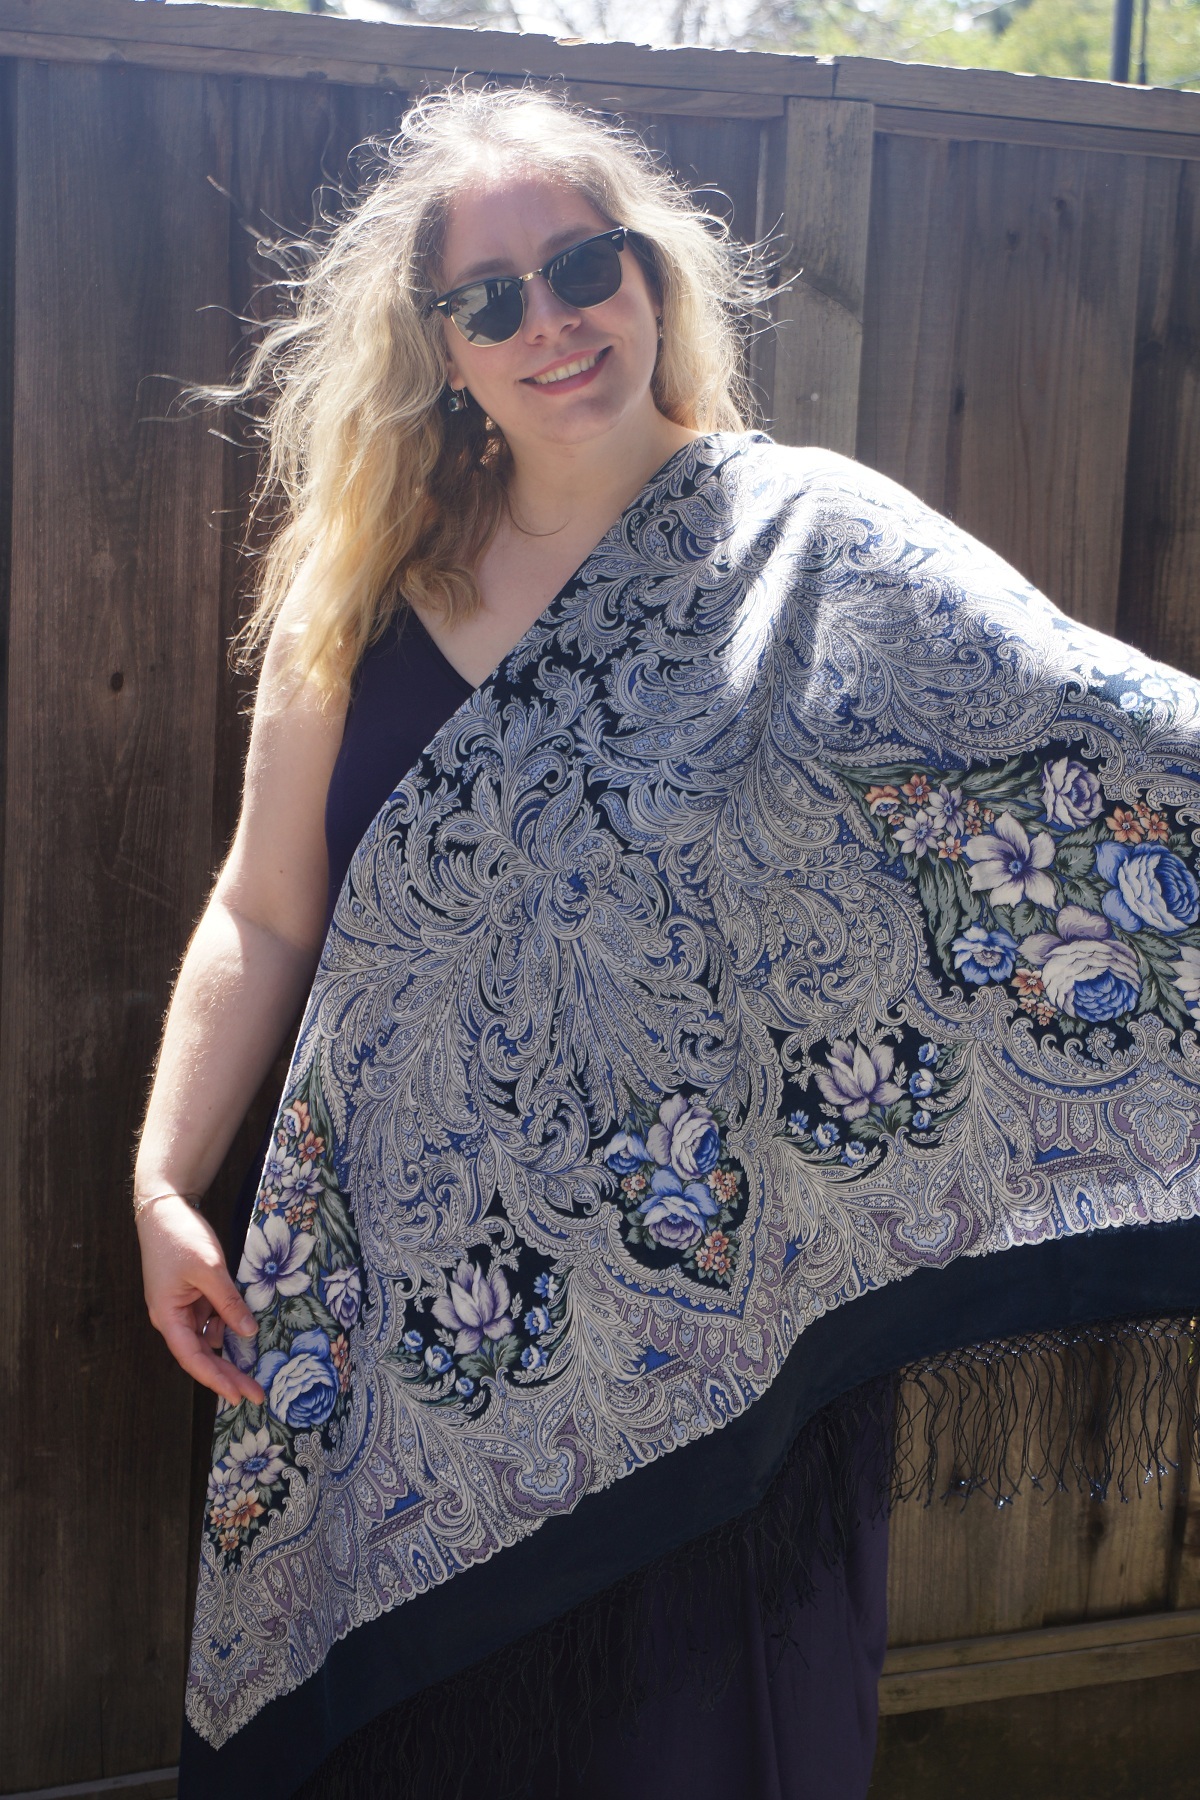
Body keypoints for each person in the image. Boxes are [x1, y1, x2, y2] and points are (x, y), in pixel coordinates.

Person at [139, 84, 1200, 1800]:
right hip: (408, 1347)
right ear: (440, 347)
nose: (550, 321)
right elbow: (264, 911)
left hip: (725, 1351)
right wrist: (164, 1179)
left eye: (584, 266)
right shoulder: (357, 596)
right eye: (492, 299)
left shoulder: (815, 551)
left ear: (650, 275)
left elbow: (1087, 744)